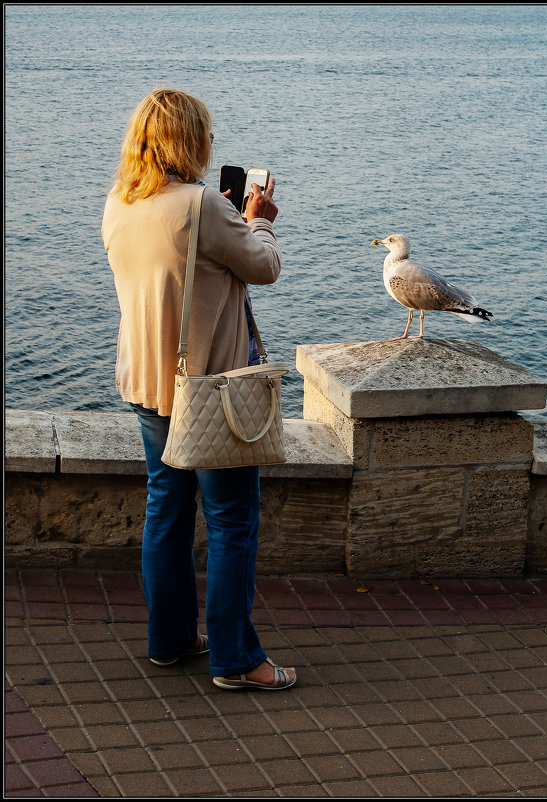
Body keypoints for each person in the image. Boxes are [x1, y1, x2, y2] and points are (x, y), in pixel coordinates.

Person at [102, 88, 296, 691]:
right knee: (232, 520)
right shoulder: (203, 205)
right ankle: (237, 660)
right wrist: (258, 220)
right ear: (191, 140)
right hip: (207, 388)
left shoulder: (120, 202)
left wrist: (229, 219)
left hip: (147, 383)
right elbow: (263, 266)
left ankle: (171, 639)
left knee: (166, 510)